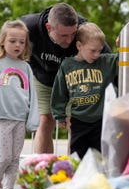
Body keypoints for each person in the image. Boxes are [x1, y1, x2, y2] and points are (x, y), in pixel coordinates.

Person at [20, 3, 110, 154]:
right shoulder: (29, 27)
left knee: (74, 123)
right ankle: (43, 168)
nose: (69, 40)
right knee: (45, 120)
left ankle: (73, 169)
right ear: (49, 28)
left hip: (73, 80)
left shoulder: (84, 29)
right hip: (44, 78)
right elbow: (8, 44)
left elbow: (105, 56)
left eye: (72, 34)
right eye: (63, 35)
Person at [50, 22, 118, 159]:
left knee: (101, 157)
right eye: (93, 50)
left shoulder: (105, 62)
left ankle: (99, 180)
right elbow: (59, 91)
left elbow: (123, 58)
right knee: (77, 157)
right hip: (78, 121)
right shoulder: (67, 65)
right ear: (79, 45)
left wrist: (123, 46)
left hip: (100, 121)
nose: (97, 54)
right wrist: (60, 114)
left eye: (100, 50)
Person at [0, 20, 39, 189]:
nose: (17, 45)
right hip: (2, 117)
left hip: (20, 118)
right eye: (12, 41)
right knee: (4, 157)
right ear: (2, 41)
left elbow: (32, 94)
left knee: (15, 159)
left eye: (21, 41)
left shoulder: (25, 67)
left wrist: (32, 119)